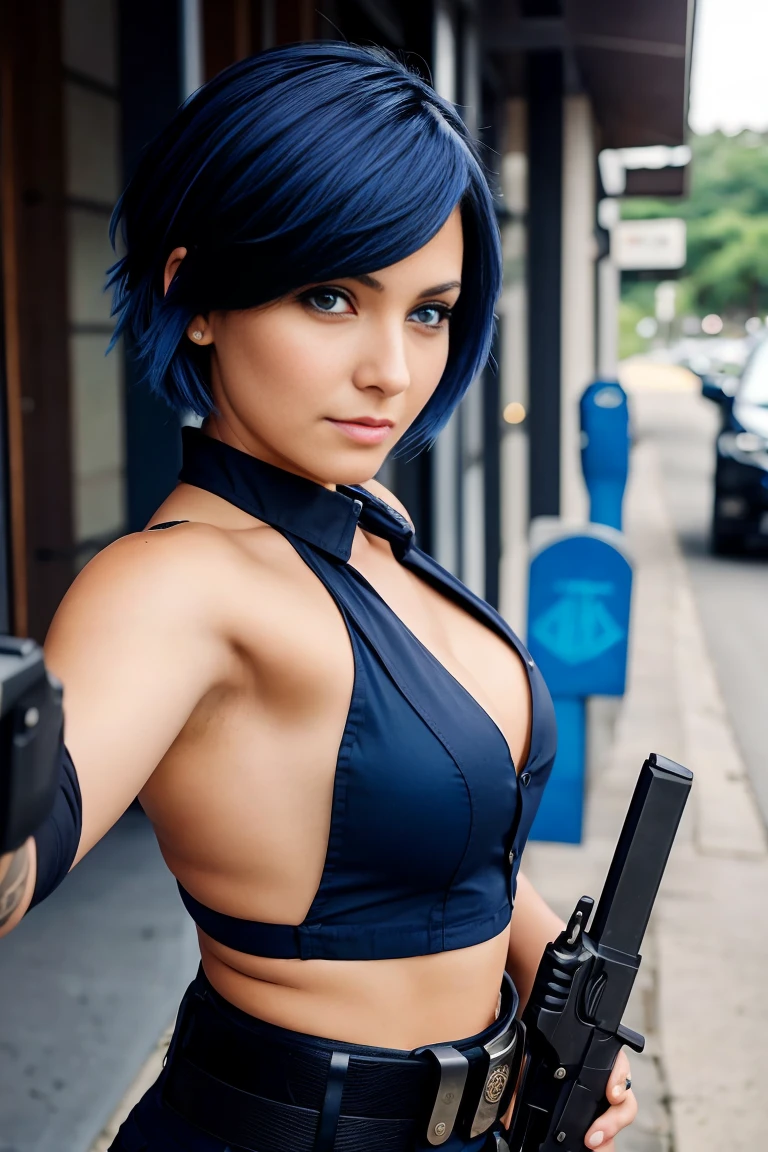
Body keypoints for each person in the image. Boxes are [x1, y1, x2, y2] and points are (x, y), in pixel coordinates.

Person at [0, 43, 636, 1152]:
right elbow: (21, 860)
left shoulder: (369, 524)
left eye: (429, 311)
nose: (391, 370)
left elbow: (458, 848)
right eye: (331, 297)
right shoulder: (173, 581)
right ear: (194, 294)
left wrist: (555, 992)